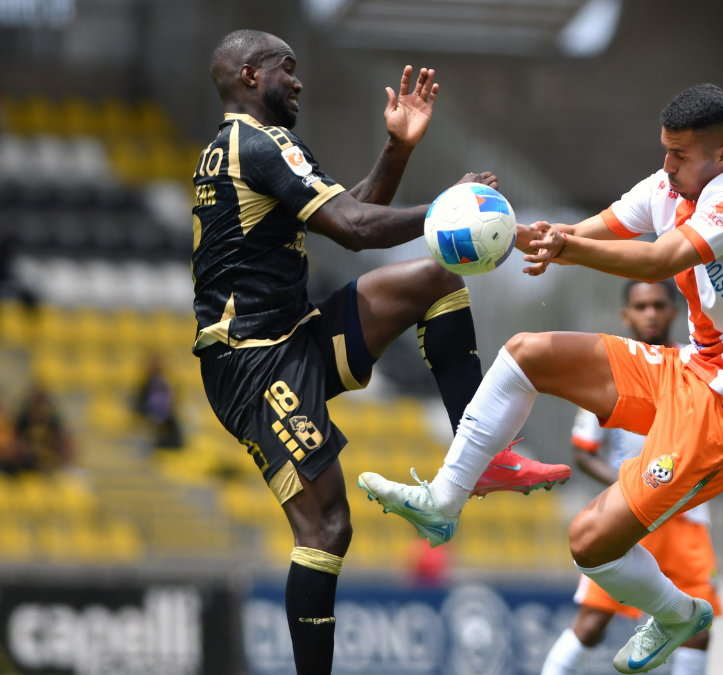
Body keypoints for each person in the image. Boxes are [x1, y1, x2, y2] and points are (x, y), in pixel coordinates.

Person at [360, 83, 723, 673]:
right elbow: (594, 230)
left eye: (680, 156)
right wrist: (514, 233)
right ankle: (443, 501)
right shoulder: (669, 184)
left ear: (722, 157)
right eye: (665, 152)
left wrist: (567, 247)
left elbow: (657, 260)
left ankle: (677, 614)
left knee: (589, 542)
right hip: (691, 368)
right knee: (527, 353)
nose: (667, 167)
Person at [192, 30, 568, 675]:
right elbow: (356, 230)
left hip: (294, 334)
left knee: (437, 278)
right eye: (288, 69)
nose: (299, 81)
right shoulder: (256, 144)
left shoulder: (247, 147)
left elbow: (352, 211)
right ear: (251, 77)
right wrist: (451, 211)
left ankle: (480, 452)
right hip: (252, 361)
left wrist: (398, 148)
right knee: (327, 529)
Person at [541, 280, 723, 675]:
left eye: (658, 304)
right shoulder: (614, 370)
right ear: (627, 315)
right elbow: (584, 452)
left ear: (675, 311)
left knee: (698, 629)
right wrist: (629, 489)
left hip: (687, 520)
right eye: (641, 306)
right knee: (591, 625)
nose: (651, 313)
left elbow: (717, 435)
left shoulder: (700, 365)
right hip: (635, 513)